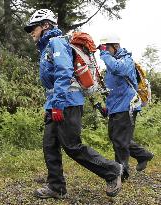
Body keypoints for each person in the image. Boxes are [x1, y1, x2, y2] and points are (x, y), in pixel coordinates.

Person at [24, 9, 123, 199]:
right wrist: (53, 104)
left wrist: (58, 104)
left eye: (33, 28)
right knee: (50, 145)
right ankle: (57, 187)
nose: (31, 32)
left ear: (45, 26)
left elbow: (64, 72)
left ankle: (112, 170)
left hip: (66, 103)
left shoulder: (56, 42)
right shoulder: (46, 47)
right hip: (55, 102)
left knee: (72, 145)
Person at [97, 34, 154, 182]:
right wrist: (107, 108)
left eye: (106, 48)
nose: (103, 51)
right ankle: (143, 155)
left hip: (127, 105)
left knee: (120, 140)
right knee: (115, 136)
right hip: (115, 106)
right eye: (103, 49)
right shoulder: (111, 62)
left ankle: (122, 172)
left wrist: (103, 54)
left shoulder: (126, 60)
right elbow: (113, 89)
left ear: (115, 46)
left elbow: (119, 69)